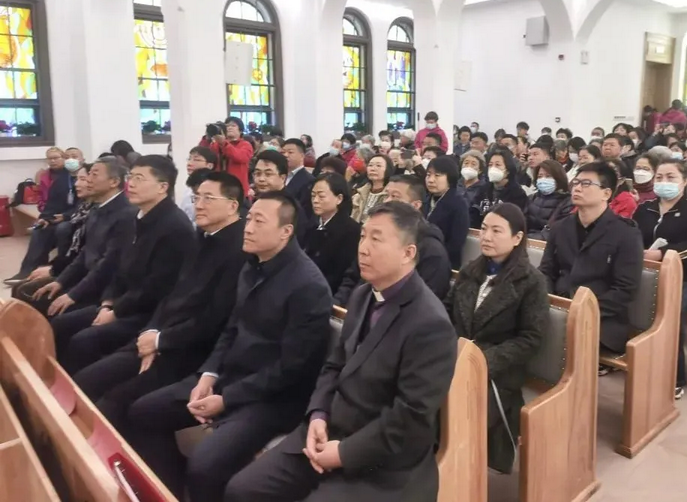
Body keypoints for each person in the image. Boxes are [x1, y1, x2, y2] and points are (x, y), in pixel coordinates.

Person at [224, 202, 457, 502]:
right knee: (242, 490)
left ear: (408, 253)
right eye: (363, 236)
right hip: (327, 431)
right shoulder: (363, 295)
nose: (363, 248)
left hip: (380, 462)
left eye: (377, 239)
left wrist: (344, 453)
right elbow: (334, 365)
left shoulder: (430, 324)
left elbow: (409, 418)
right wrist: (319, 414)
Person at [127, 192, 333, 502]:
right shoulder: (252, 266)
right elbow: (232, 329)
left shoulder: (309, 286)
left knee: (205, 465)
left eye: (258, 221)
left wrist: (226, 399)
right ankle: (171, 492)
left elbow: (291, 369)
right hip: (230, 379)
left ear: (285, 231)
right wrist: (208, 374)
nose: (247, 227)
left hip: (273, 398)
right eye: (249, 218)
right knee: (142, 412)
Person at [71, 172, 246, 431]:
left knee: (115, 402)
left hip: (190, 350)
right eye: (197, 197)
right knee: (87, 378)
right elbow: (172, 294)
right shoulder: (202, 237)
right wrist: (152, 332)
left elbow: (213, 321)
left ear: (232, 206)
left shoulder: (239, 251)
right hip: (161, 334)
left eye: (208, 198)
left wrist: (160, 341)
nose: (198, 204)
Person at [50, 156, 195, 375]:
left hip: (149, 314)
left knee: (84, 340)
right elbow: (119, 267)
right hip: (121, 302)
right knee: (60, 324)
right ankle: (51, 388)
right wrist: (108, 302)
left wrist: (116, 310)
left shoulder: (175, 227)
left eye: (139, 178)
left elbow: (155, 288)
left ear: (162, 187)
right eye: (130, 177)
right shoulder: (136, 218)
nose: (131, 184)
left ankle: (76, 399)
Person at [445, 203, 546, 473]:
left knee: (452, 416)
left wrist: (480, 362)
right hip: (454, 359)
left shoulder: (531, 282)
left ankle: (455, 477)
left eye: (497, 231)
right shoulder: (470, 271)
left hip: (496, 374)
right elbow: (447, 313)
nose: (486, 236)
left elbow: (530, 338)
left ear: (517, 238)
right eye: (485, 228)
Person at [540, 162, 643, 357]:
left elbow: (625, 289)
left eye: (586, 183)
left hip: (601, 318)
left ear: (606, 193)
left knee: (556, 346)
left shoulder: (625, 233)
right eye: (576, 182)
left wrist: (582, 311)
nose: (577, 188)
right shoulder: (560, 227)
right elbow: (546, 270)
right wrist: (549, 302)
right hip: (558, 307)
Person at [633, 159, 687, 399]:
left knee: (669, 310)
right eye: (659, 177)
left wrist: (665, 255)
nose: (663, 182)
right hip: (648, 271)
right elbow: (631, 234)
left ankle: (674, 376)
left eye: (671, 178)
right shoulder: (645, 207)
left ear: (685, 181)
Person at [29, 158, 135, 317]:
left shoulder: (125, 214)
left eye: (94, 175)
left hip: (105, 287)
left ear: (114, 182)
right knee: (29, 292)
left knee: (49, 309)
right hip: (87, 277)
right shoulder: (96, 208)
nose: (88, 180)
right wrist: (61, 281)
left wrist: (73, 294)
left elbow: (108, 264)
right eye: (88, 174)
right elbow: (85, 252)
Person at [333, 175, 452, 306]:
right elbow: (352, 277)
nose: (388, 201)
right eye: (386, 196)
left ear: (416, 205)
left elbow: (426, 302)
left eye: (395, 197)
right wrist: (338, 307)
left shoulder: (432, 250)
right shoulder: (373, 232)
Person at [12, 164, 94, 300]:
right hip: (72, 264)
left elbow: (87, 255)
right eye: (77, 179)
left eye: (83, 179)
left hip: (84, 275)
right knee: (41, 230)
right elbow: (76, 251)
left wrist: (55, 271)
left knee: (25, 292)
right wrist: (47, 218)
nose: (77, 184)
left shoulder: (99, 213)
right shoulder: (83, 206)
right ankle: (27, 269)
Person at [5, 147, 78, 284]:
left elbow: (84, 205)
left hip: (75, 217)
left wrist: (65, 216)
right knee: (40, 230)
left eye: (57, 157)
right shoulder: (60, 180)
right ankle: (29, 271)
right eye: (50, 158)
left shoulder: (83, 178)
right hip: (58, 215)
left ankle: (59, 270)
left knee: (62, 229)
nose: (53, 161)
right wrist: (44, 218)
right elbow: (52, 202)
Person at [303, 173, 361, 293]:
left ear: (339, 198)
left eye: (321, 196)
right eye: (313, 195)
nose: (315, 200)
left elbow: (344, 274)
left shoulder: (351, 231)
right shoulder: (311, 226)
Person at [423, 156, 470, 269]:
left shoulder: (458, 203)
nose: (431, 180)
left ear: (450, 178)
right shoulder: (425, 199)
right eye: (428, 175)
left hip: (443, 262)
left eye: (437, 175)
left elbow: (456, 243)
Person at [471, 148, 528, 228]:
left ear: (508, 170)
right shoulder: (483, 190)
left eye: (497, 165)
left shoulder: (517, 194)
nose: (493, 168)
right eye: (490, 165)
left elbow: (516, 222)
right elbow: (473, 213)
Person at [525, 160, 573, 240]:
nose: (543, 179)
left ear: (558, 178)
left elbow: (557, 232)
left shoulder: (567, 202)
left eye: (548, 176)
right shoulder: (532, 198)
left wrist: (527, 239)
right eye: (540, 176)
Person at [210, 117, 254, 194]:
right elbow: (207, 156)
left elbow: (239, 157)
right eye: (227, 126)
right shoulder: (216, 144)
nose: (229, 128)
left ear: (240, 130)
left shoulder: (245, 145)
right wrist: (208, 137)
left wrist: (224, 143)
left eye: (233, 126)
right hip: (218, 186)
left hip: (237, 188)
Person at [351, 154, 393, 224]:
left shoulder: (390, 195)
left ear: (388, 169)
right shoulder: (359, 194)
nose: (373, 169)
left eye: (378, 166)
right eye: (370, 165)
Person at [181, 146, 217, 221]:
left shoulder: (214, 189)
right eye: (189, 159)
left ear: (209, 166)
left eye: (196, 160)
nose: (189, 163)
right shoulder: (188, 189)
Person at [282, 137, 316, 213]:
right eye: (283, 152)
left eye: (290, 152)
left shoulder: (309, 181)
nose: (285, 155)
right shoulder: (279, 176)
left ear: (302, 156)